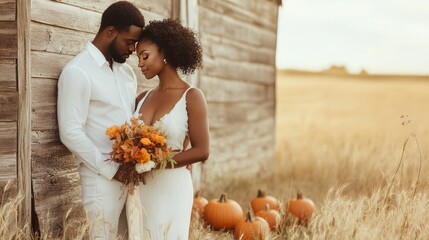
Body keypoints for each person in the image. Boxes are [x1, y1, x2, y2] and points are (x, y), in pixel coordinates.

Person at [57, 1, 144, 239]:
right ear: (110, 32)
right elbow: (70, 132)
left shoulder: (126, 73)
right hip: (100, 179)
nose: (133, 49)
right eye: (130, 42)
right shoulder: (78, 71)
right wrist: (111, 170)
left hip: (130, 177)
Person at [133, 19, 210, 239]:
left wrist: (155, 162)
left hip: (172, 186)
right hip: (140, 189)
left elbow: (202, 150)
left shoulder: (192, 97)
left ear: (164, 51)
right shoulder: (141, 98)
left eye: (144, 56)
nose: (140, 63)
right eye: (137, 57)